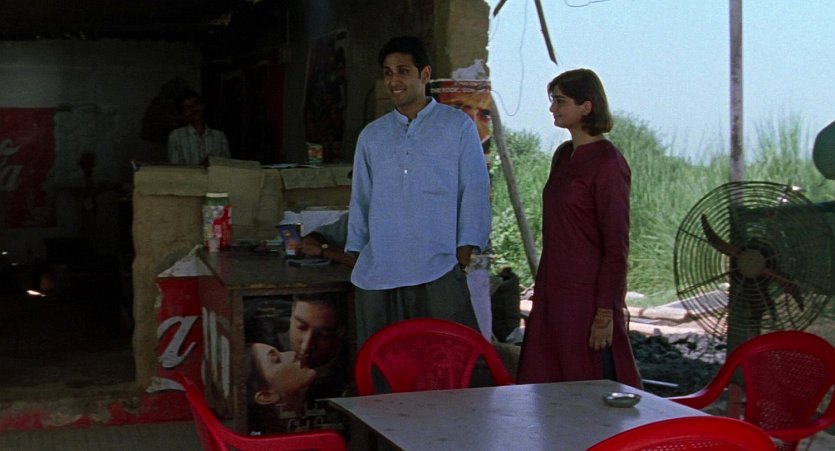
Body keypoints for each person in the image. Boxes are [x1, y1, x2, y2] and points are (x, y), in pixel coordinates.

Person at [345, 36, 492, 347]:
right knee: (385, 362)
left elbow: (475, 189)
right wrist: (358, 252)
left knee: (448, 359)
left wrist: (464, 251)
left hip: (439, 266)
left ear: (424, 75)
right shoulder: (372, 136)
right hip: (380, 272)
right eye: (388, 73)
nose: (394, 81)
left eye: (403, 71)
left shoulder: (457, 126)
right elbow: (361, 199)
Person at [516, 68, 642, 388]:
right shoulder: (563, 155)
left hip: (586, 294)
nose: (552, 108)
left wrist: (605, 313)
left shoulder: (608, 163)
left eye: (560, 101)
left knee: (587, 383)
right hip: (553, 285)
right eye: (552, 100)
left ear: (586, 106)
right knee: (546, 380)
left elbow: (616, 245)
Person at [167, 89, 230, 165]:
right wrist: (203, 166)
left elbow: (226, 166)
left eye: (195, 104)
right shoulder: (176, 136)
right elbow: (176, 168)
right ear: (182, 114)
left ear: (203, 105)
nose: (192, 109)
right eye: (187, 108)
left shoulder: (219, 137)